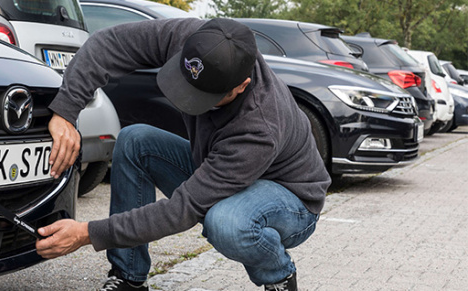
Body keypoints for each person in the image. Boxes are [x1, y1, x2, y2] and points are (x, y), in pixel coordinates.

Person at [38, 18, 331, 291]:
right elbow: (108, 43)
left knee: (226, 222)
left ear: (241, 86)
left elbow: (183, 209)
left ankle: (278, 275)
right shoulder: (195, 39)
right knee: (134, 140)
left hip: (291, 201)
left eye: (205, 98)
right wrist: (66, 110)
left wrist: (87, 232)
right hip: (224, 172)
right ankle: (129, 278)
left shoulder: (260, 126)